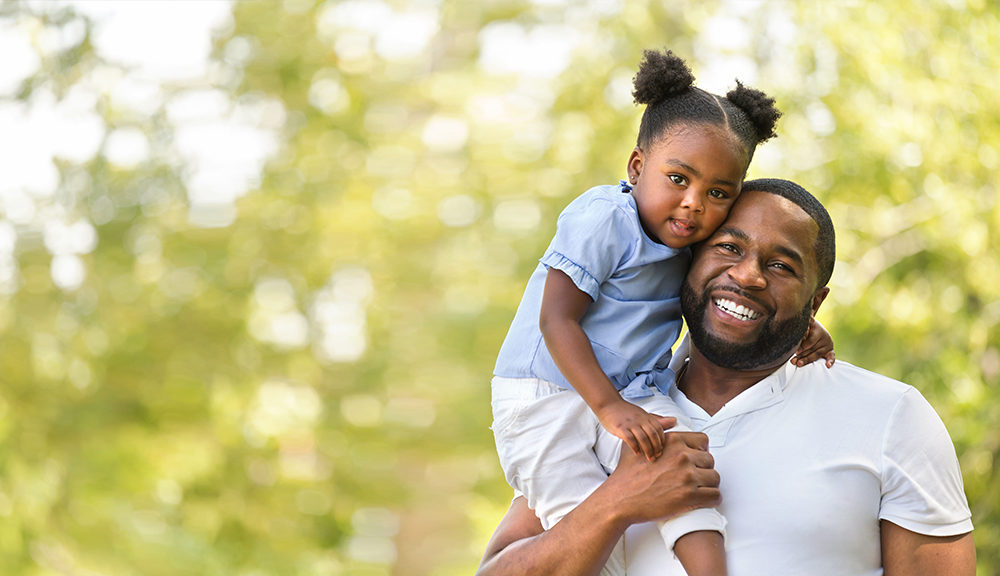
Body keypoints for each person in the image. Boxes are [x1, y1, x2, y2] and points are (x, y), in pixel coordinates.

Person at [478, 179, 976, 576]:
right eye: (728, 248)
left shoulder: (889, 416)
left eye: (781, 265)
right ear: (687, 263)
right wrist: (615, 505)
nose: (748, 275)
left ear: (815, 301)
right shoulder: (604, 407)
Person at [490, 50, 834, 576]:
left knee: (683, 473)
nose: (695, 203)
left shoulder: (691, 246)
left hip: (628, 392)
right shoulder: (603, 219)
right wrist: (609, 409)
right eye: (679, 179)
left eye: (717, 193)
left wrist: (804, 323)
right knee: (581, 517)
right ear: (637, 166)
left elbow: (741, 291)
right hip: (548, 394)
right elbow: (554, 320)